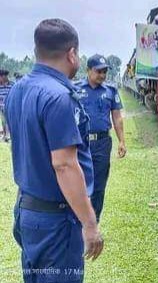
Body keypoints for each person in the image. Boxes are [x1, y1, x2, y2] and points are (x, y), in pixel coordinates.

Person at [5, 18, 103, 283]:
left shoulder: (17, 90)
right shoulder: (59, 97)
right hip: (56, 221)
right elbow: (64, 165)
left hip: (28, 212)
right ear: (72, 54)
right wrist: (90, 224)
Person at [75, 54, 126, 222]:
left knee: (98, 185)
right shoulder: (76, 90)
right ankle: (77, 218)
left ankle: (93, 220)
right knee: (78, 182)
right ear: (88, 70)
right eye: (99, 71)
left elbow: (117, 117)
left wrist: (122, 141)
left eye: (104, 72)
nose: (102, 75)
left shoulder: (110, 91)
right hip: (80, 143)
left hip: (102, 144)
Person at [0, 69, 13, 142]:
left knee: (10, 121)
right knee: (3, 121)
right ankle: (5, 135)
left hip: (10, 107)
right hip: (1, 107)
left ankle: (10, 136)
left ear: (3, 77)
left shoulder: (12, 84)